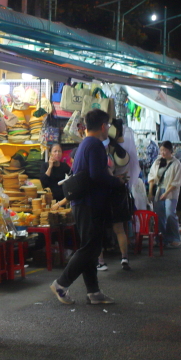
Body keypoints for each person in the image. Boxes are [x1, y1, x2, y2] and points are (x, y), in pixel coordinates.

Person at [50, 109, 122, 306]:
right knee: (90, 247)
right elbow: (97, 176)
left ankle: (94, 292)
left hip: (83, 203)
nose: (108, 129)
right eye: (107, 125)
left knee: (91, 247)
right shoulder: (95, 144)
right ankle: (61, 284)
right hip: (90, 203)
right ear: (102, 126)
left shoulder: (84, 144)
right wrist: (117, 182)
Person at [99, 118, 134, 272]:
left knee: (98, 228)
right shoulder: (127, 147)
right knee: (119, 228)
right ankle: (124, 258)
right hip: (119, 191)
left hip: (105, 191)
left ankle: (100, 261)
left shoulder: (103, 148)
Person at [148, 141, 181, 248]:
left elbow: (176, 182)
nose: (162, 152)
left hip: (171, 192)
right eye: (161, 150)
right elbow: (152, 177)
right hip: (159, 191)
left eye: (165, 150)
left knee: (170, 214)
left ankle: (174, 238)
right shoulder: (157, 161)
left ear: (170, 151)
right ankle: (162, 238)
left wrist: (166, 193)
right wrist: (150, 193)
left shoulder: (176, 163)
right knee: (159, 216)